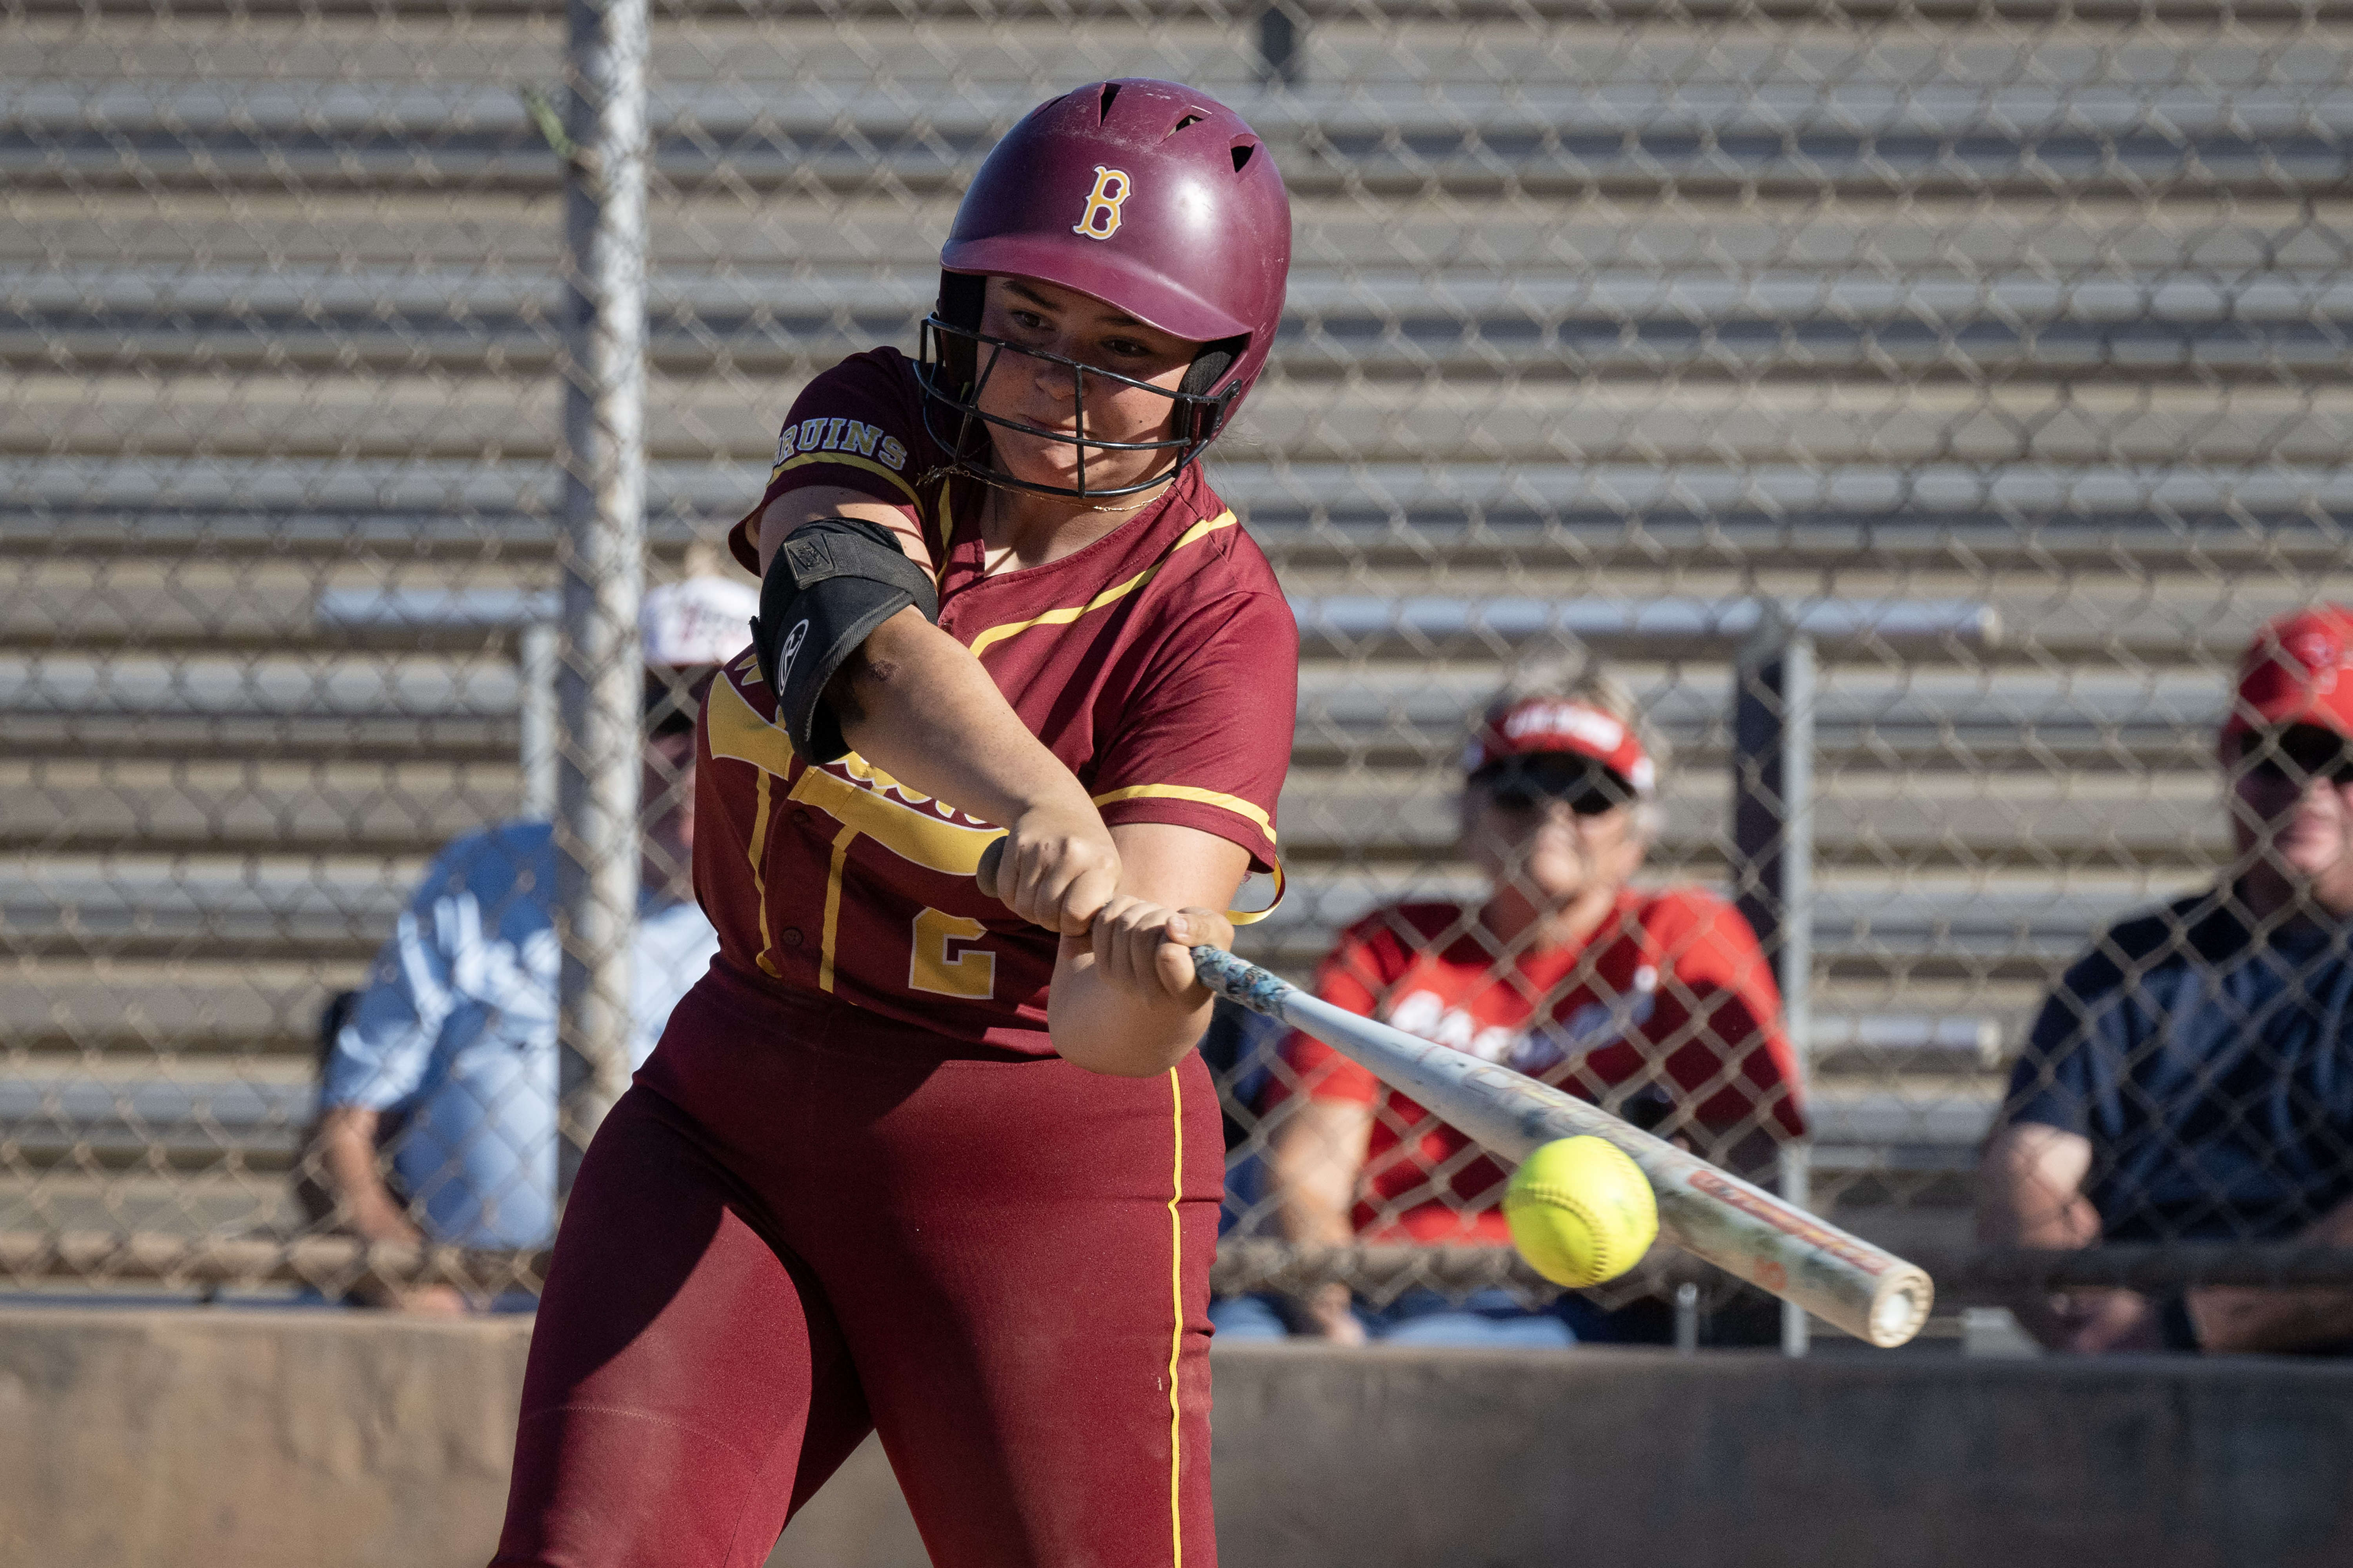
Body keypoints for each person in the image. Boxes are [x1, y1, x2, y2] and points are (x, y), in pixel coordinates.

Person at [492, 80, 1297, 1568]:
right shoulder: (877, 412)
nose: (1056, 379)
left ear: (1215, 377)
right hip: (732, 1116)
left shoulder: (1218, 623)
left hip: (1045, 1182)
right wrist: (1044, 803)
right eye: (1027, 318)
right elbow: (849, 631)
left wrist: (1149, 967)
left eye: (1126, 350)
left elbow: (1110, 1031)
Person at [1227, 668, 1807, 1347]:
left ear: (1637, 830)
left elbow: (1746, 1161)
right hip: (1361, 1273)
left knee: (1432, 1357)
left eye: (1591, 793)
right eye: (1518, 784)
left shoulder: (1678, 934)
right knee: (1221, 1351)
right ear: (1469, 813)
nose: (1552, 813)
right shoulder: (1391, 944)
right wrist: (1331, 1322)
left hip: (1562, 1290)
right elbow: (1308, 1172)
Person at [302, 574, 748, 1311]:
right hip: (477, 1310)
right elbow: (344, 1131)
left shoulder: (801, 910)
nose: (692, 751)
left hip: (696, 1326)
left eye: (727, 718)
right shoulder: (488, 879)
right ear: (608, 728)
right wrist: (422, 1301)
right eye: (664, 713)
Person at [1979, 606, 2353, 1356]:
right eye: (2276, 756)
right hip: (2131, 1346)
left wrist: (2189, 1327)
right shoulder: (2133, 967)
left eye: (2338, 763)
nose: (2305, 788)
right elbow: (2025, 1168)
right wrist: (2085, 1298)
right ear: (2230, 766)